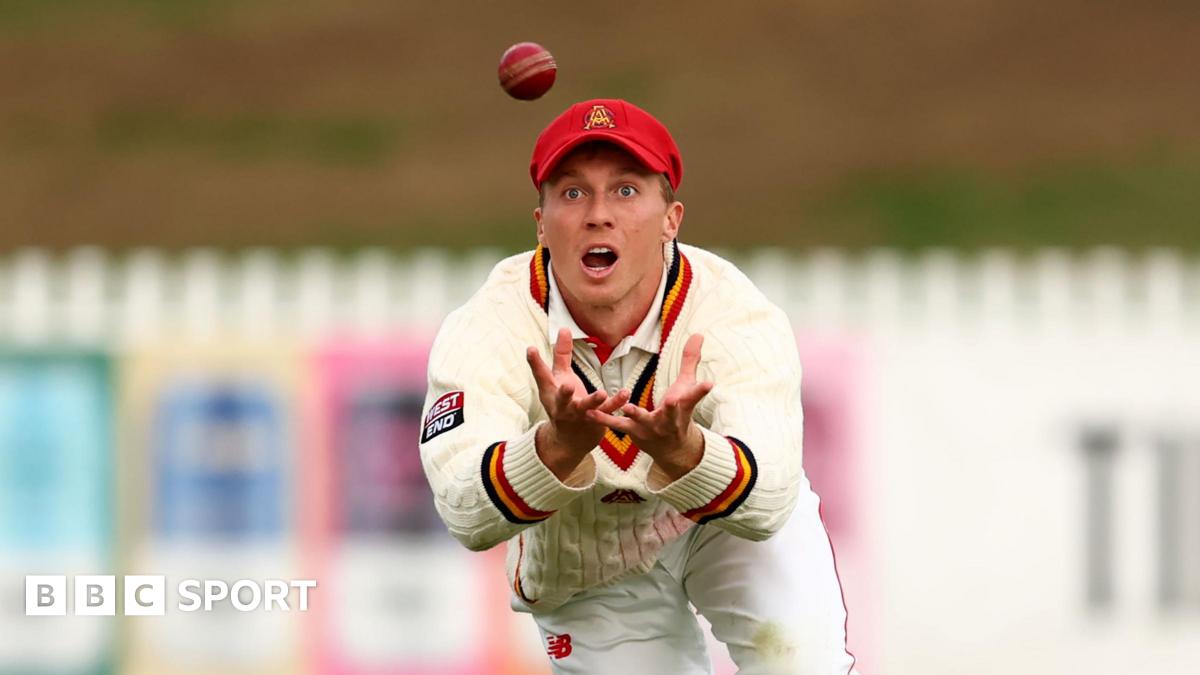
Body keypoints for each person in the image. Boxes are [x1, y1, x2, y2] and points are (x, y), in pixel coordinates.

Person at [419, 98, 856, 674]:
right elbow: (464, 512)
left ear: (671, 218)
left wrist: (684, 453)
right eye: (572, 193)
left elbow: (769, 499)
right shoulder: (490, 324)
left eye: (626, 190)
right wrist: (557, 447)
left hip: (719, 525)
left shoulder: (731, 310)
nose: (599, 214)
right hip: (586, 557)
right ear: (541, 223)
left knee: (801, 666)